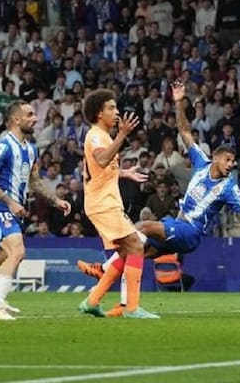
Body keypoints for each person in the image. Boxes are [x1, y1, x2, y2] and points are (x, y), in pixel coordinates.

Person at [77, 81, 240, 311]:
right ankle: (110, 303)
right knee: (133, 252)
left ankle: (104, 270)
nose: (231, 165)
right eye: (227, 160)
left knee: (142, 228)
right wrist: (179, 102)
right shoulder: (201, 162)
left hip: (190, 232)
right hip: (177, 224)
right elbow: (184, 131)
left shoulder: (229, 188)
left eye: (233, 162)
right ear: (215, 157)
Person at [0, 102, 70, 320]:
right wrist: (9, 202)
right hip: (0, 207)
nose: (35, 119)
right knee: (17, 252)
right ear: (16, 120)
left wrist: (55, 199)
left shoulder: (31, 149)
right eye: (30, 115)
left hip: (15, 210)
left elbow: (34, 181)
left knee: (3, 259)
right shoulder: (4, 146)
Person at [77, 89, 157, 319]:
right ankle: (131, 308)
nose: (117, 112)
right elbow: (102, 160)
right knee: (136, 245)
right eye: (111, 108)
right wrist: (122, 135)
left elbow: (100, 169)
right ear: (98, 113)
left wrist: (124, 173)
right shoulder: (96, 135)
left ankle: (92, 301)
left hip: (104, 202)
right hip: (103, 203)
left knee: (125, 251)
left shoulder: (103, 136)